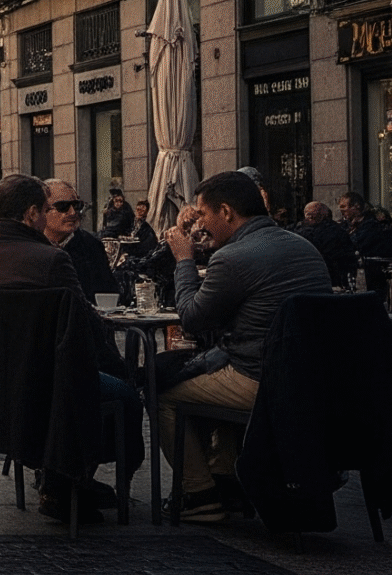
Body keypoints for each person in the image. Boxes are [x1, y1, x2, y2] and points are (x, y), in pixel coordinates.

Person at [0, 173, 135, 522]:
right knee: (124, 393)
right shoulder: (51, 260)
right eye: (50, 209)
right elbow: (86, 325)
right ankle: (71, 479)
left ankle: (64, 479)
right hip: (45, 388)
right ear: (32, 213)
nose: (57, 214)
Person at [157, 169, 334, 521]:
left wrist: (184, 260)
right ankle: (228, 479)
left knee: (163, 394)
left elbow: (191, 318)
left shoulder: (233, 257)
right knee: (216, 371)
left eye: (204, 214)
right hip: (312, 379)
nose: (201, 224)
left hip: (261, 380)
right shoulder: (303, 246)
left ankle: (199, 493)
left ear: (226, 212)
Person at [40, 181, 119, 301]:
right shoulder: (29, 244)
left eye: (77, 205)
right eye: (63, 206)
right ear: (41, 210)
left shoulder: (91, 245)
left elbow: (108, 293)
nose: (73, 212)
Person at [292, 200, 360, 286]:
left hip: (306, 280)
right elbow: (350, 259)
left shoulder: (297, 234)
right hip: (333, 280)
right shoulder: (338, 232)